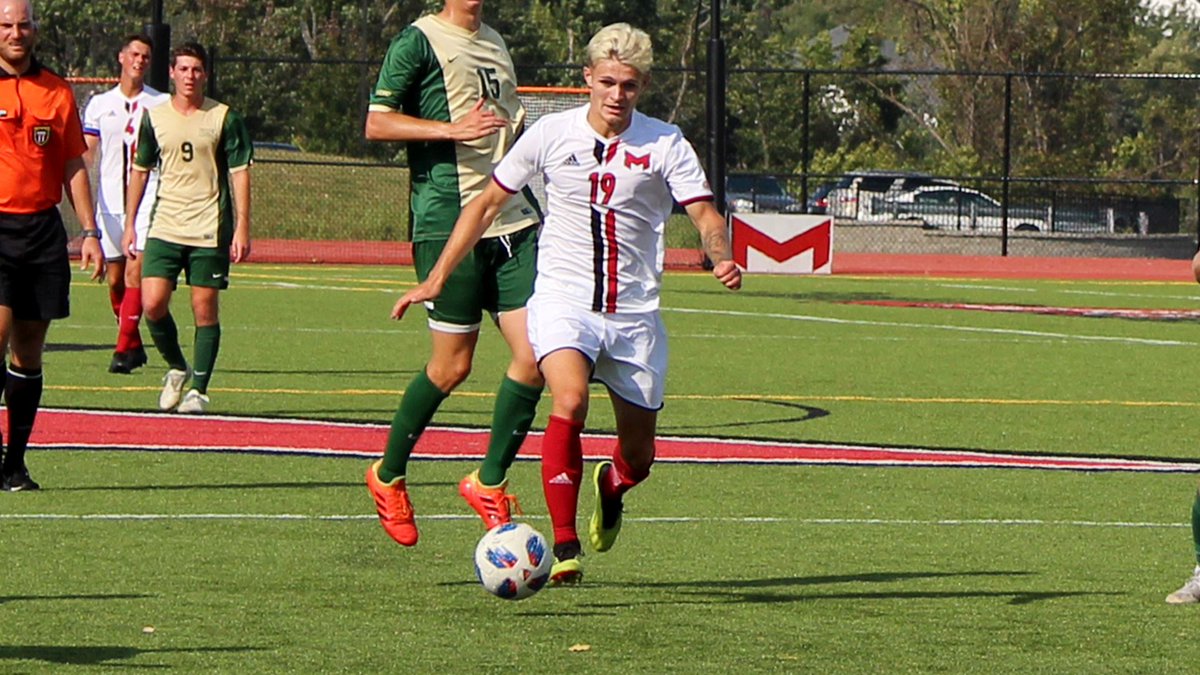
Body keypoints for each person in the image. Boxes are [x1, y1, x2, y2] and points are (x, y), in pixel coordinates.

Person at [393, 22, 742, 583]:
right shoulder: (551, 133)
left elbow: (704, 214)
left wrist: (719, 254)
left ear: (642, 85)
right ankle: (563, 545)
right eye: (606, 81)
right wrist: (436, 277)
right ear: (587, 78)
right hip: (564, 301)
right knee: (570, 400)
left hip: (634, 316)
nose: (616, 94)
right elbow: (485, 205)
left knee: (640, 458)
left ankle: (612, 485)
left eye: (628, 85)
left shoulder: (665, 142)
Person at [362, 0, 545, 547]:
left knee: (538, 355)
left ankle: (488, 481)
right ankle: (387, 473)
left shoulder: (495, 39)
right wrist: (450, 129)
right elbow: (376, 122)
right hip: (447, 218)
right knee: (451, 368)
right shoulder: (418, 41)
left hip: (514, 219)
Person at [0, 0, 105, 490]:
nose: (15, 33)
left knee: (28, 353)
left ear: (34, 31)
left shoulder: (57, 90)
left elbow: (72, 165)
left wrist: (89, 231)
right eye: (6, 25)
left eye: (23, 25)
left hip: (42, 232)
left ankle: (14, 463)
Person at [123, 42, 252, 415]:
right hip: (165, 226)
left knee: (204, 309)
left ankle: (198, 389)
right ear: (172, 73)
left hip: (208, 228)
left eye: (196, 70)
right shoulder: (155, 116)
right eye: (183, 69)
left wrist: (242, 226)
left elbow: (240, 172)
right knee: (152, 303)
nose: (190, 76)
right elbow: (141, 170)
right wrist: (131, 224)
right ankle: (177, 367)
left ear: (205, 74)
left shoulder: (224, 117)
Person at [82, 33, 168, 374]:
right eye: (134, 54)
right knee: (116, 280)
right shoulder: (100, 104)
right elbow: (87, 154)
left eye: (146, 56)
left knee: (135, 271)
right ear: (121, 57)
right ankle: (133, 345)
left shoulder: (160, 103)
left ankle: (121, 352)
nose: (139, 61)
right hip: (109, 203)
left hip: (146, 200)